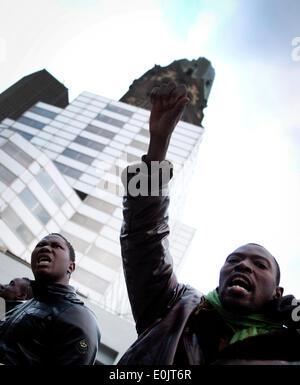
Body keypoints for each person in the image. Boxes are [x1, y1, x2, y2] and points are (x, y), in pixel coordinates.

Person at [118, 82, 300, 365]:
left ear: (278, 293)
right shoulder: (176, 306)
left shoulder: (290, 346)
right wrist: (157, 147)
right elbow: (143, 239)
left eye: (259, 265)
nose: (243, 266)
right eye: (234, 260)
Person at [0, 233, 101, 365]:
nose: (45, 248)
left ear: (71, 267)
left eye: (56, 246)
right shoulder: (24, 305)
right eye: (40, 245)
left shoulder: (79, 317)